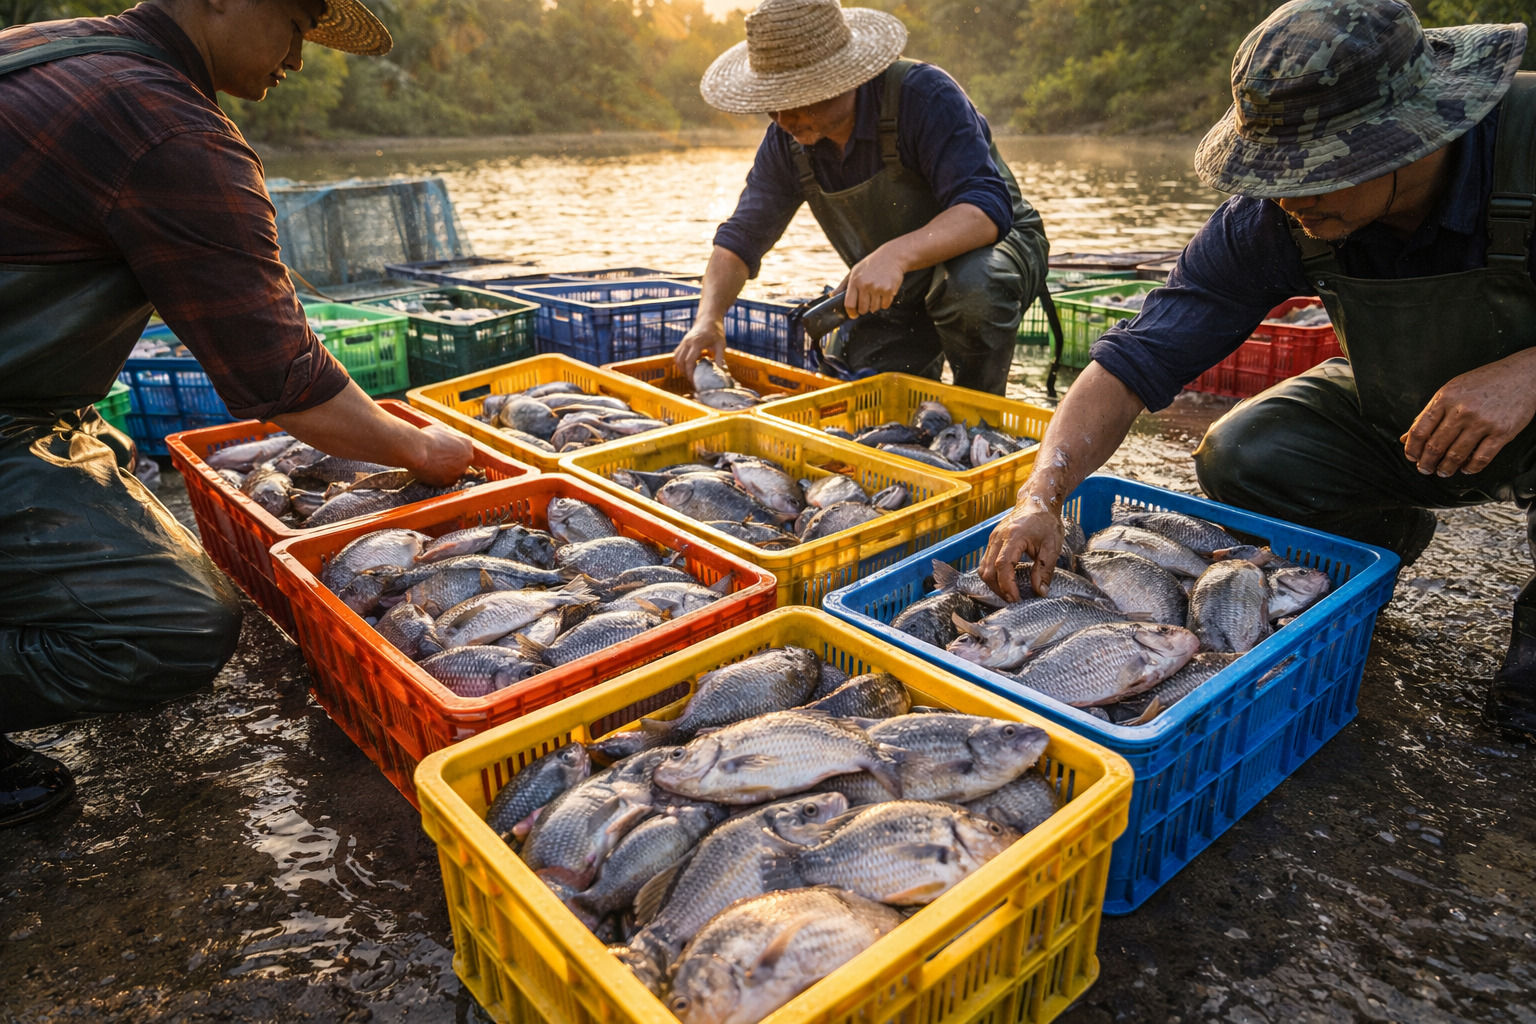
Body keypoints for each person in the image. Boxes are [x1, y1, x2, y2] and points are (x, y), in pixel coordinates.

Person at [978, 0, 1536, 741]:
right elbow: (1134, 359)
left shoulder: (1526, 142)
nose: (1289, 198)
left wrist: (1526, 374)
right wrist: (1042, 495)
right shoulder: (1281, 215)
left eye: (1316, 173)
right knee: (1248, 450)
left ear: (1405, 140)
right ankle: (1380, 550)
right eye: (1275, 173)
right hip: (1416, 416)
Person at [0, 0, 475, 827]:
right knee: (177, 627)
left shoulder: (54, 48)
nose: (299, 57)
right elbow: (290, 386)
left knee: (115, 459)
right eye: (294, 24)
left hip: (29, 399)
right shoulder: (169, 131)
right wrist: (425, 452)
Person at [672, 0, 1048, 395]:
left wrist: (895, 255)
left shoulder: (924, 96)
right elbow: (740, 239)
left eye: (795, 99)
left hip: (996, 250)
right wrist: (709, 318)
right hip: (898, 281)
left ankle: (983, 405)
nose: (782, 119)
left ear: (844, 79)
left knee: (971, 289)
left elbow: (985, 209)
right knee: (858, 389)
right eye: (771, 104)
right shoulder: (786, 140)